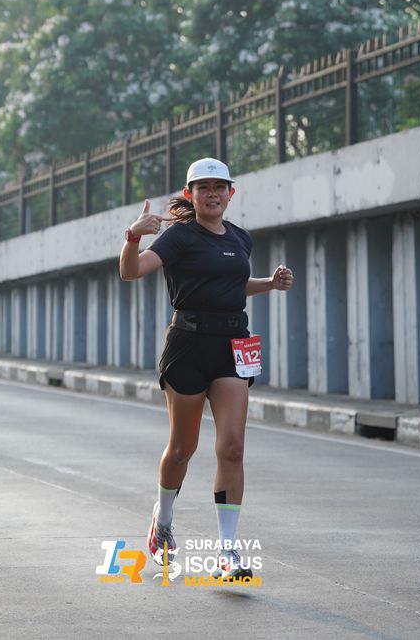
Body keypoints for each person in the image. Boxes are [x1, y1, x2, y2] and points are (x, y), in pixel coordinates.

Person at [119, 157, 293, 580]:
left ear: (231, 193)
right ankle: (163, 521)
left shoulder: (241, 238)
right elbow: (131, 271)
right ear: (190, 194)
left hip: (233, 344)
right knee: (183, 448)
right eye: (204, 187)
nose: (212, 194)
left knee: (232, 447)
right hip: (188, 345)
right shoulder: (179, 236)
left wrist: (268, 284)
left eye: (219, 187)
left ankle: (227, 551)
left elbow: (232, 285)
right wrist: (132, 238)